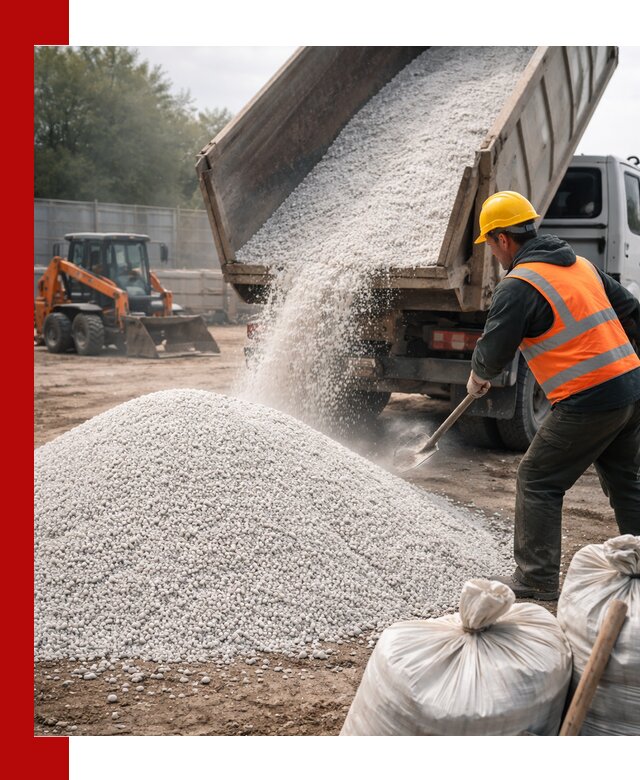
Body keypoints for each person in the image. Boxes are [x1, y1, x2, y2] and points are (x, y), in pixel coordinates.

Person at [467, 190, 640, 600]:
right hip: (630, 388)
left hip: (589, 399)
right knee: (626, 480)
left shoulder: (518, 285)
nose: (493, 252)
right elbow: (632, 310)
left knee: (538, 478)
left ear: (502, 239)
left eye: (490, 244)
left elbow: (494, 351)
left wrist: (478, 375)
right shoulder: (581, 265)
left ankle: (536, 578)